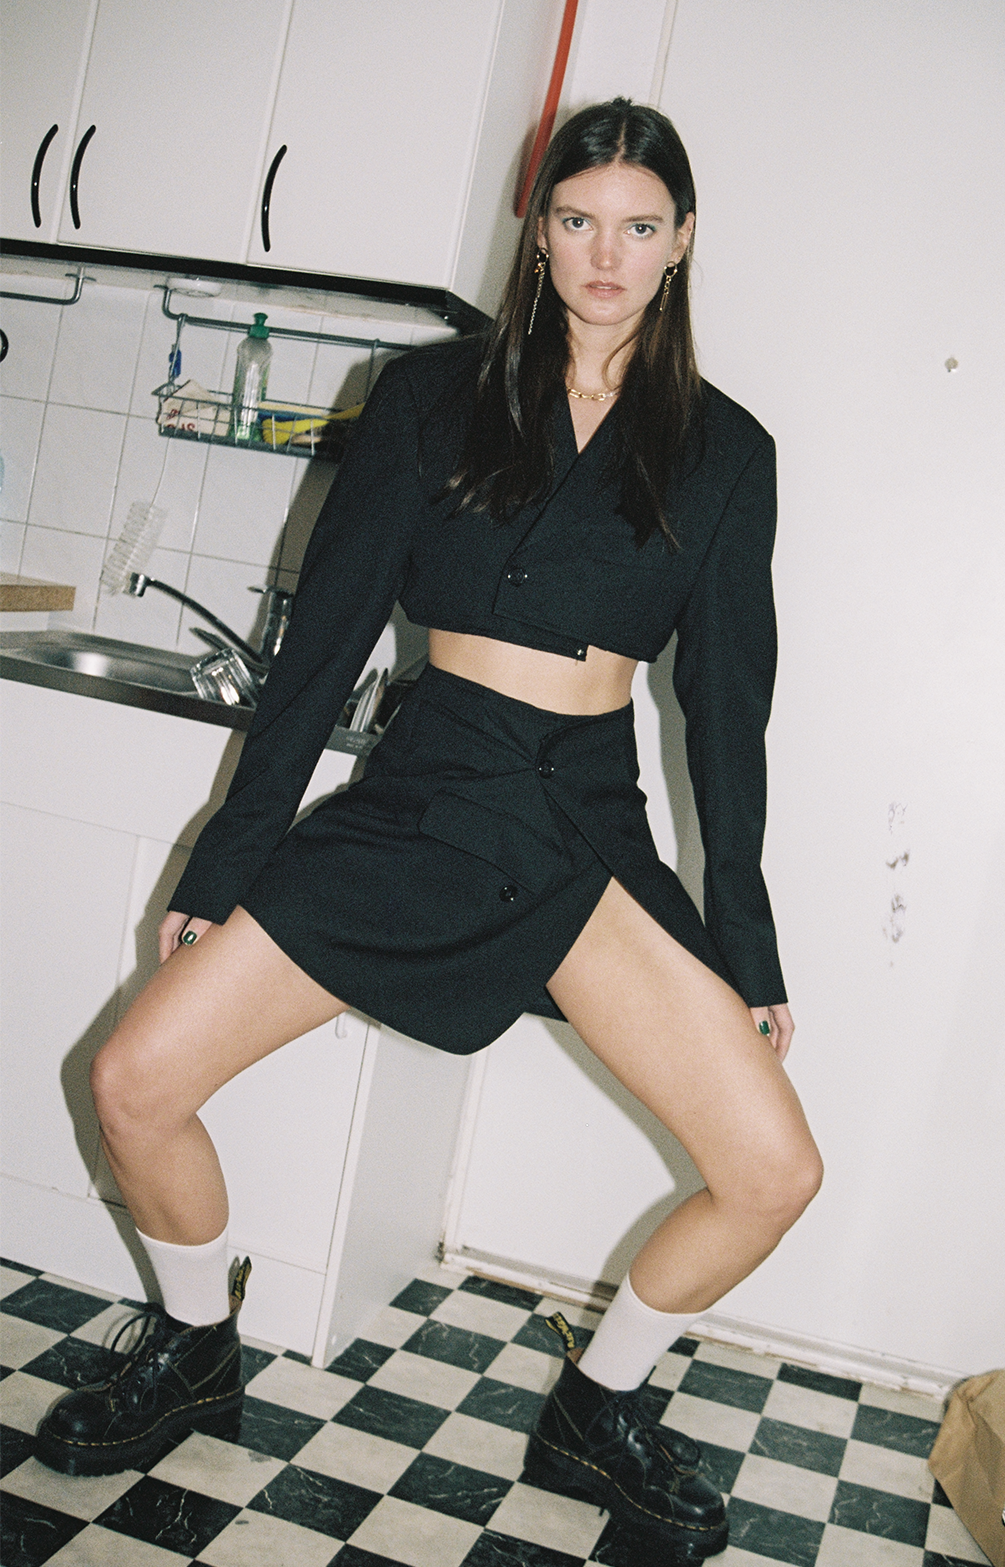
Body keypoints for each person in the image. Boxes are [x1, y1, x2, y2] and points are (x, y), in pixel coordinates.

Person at [31, 98, 818, 1562]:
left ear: (681, 242)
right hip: (420, 796)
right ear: (541, 230)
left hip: (579, 823)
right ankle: (195, 1349)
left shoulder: (726, 451)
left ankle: (598, 1404)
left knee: (773, 1173)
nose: (606, 253)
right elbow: (321, 644)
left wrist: (747, 946)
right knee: (133, 1081)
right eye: (578, 219)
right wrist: (228, 860)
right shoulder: (428, 398)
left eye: (639, 225)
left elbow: (727, 717)